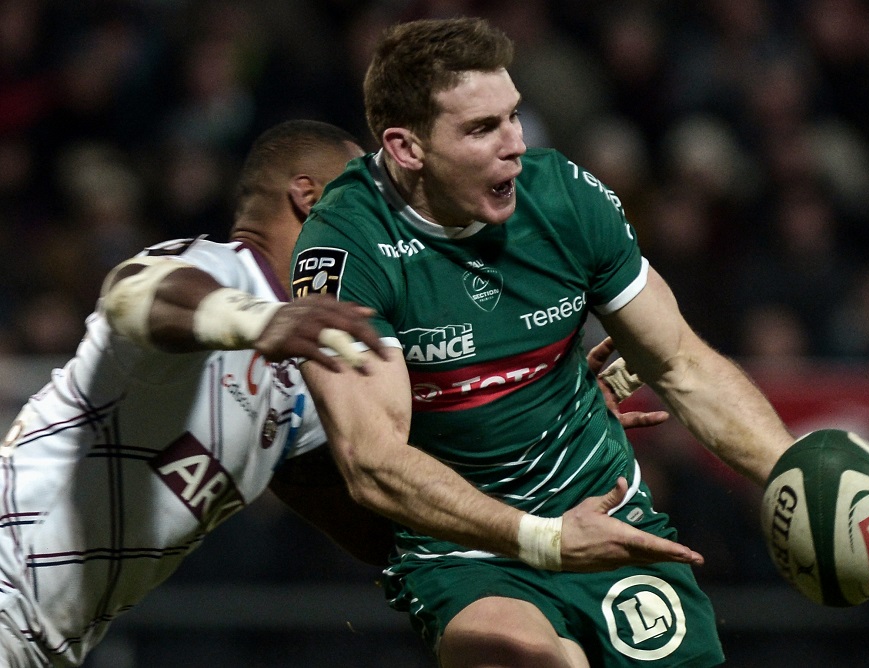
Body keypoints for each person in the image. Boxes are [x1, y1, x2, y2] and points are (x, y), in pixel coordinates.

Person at [290, 17, 869, 668]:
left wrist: (813, 483)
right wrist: (546, 540)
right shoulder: (345, 250)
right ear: (407, 148)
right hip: (465, 548)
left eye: (514, 115)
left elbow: (680, 364)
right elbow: (371, 458)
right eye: (482, 128)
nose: (516, 144)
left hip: (603, 511)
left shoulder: (563, 200)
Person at [0, 118, 661, 668]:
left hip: (44, 644)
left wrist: (541, 424)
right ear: (312, 200)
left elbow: (393, 532)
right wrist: (262, 320)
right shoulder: (220, 274)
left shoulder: (311, 380)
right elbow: (134, 293)